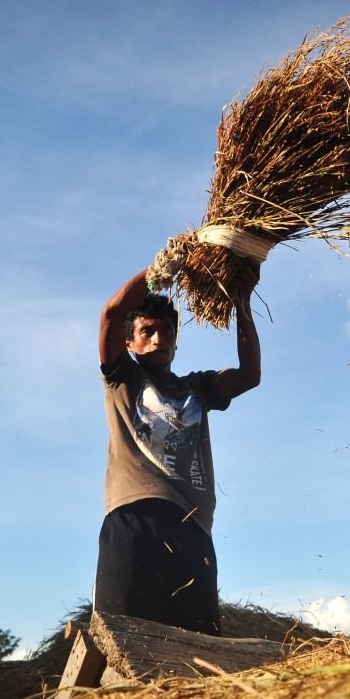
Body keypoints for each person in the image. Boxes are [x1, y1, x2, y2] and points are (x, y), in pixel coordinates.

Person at [94, 245, 261, 636]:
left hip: (193, 530)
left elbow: (249, 375)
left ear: (176, 340)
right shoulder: (122, 378)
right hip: (136, 521)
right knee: (126, 639)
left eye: (166, 331)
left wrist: (241, 301)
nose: (157, 339)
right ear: (131, 343)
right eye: (146, 331)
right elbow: (111, 315)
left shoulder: (197, 389)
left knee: (196, 651)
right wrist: (153, 273)